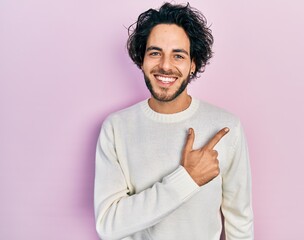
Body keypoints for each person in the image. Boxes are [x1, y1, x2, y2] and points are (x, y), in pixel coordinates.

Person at [94, 2, 254, 240]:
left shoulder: (226, 126)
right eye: (155, 53)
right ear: (142, 60)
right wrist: (187, 179)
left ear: (193, 65)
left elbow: (239, 220)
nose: (165, 66)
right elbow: (108, 225)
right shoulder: (116, 128)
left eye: (178, 55)